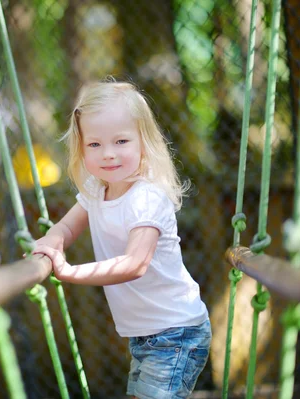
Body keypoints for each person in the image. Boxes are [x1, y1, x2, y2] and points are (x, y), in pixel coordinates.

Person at [32, 79, 211, 399]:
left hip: (176, 332)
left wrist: (70, 271)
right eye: (95, 144)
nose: (108, 154)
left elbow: (135, 263)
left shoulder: (146, 198)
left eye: (121, 141)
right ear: (81, 148)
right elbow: (67, 227)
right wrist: (50, 241)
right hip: (144, 335)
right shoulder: (95, 189)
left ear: (143, 142)